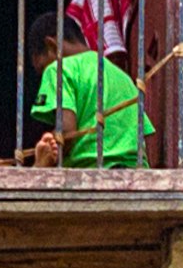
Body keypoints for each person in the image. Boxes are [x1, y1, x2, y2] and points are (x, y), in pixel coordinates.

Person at [22, 10, 147, 168]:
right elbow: (144, 136)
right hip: (135, 178)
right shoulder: (123, 78)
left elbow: (66, 133)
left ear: (51, 46)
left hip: (92, 177)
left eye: (42, 67)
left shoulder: (58, 69)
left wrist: (45, 156)